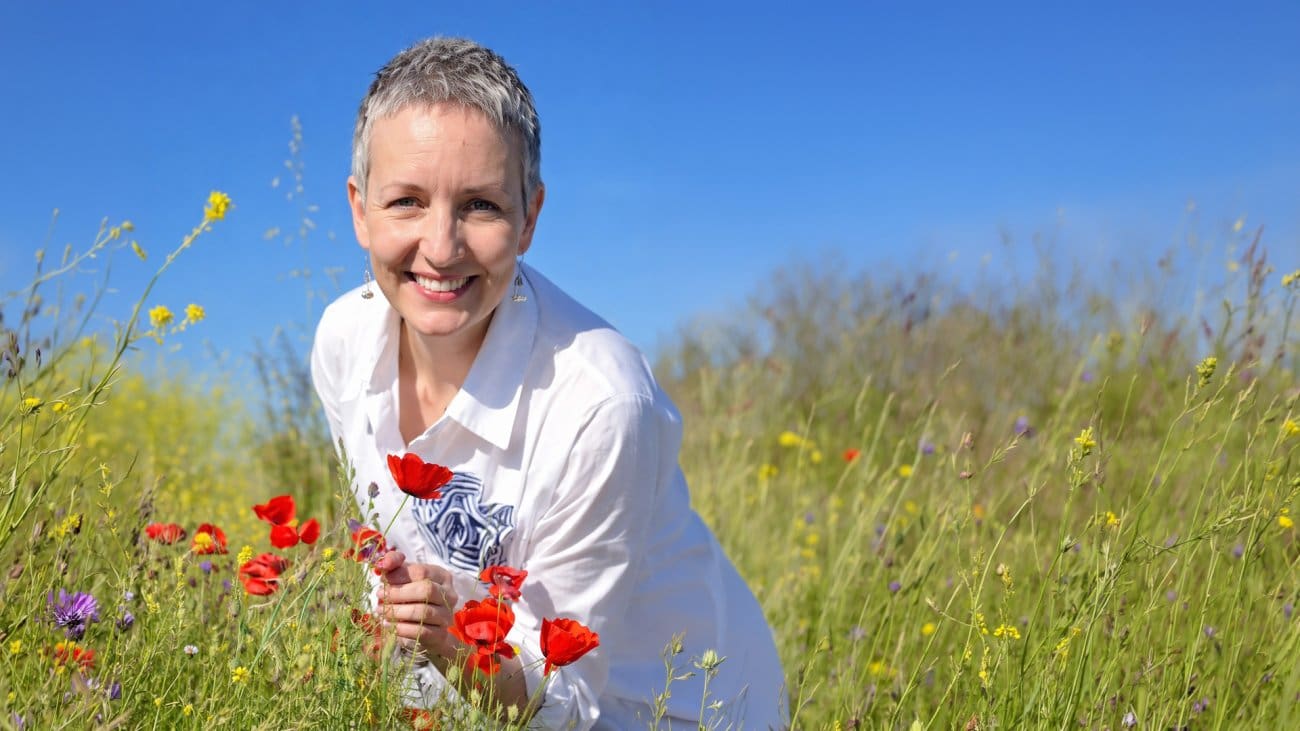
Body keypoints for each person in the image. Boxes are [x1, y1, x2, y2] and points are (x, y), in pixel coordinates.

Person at [310, 36, 786, 729]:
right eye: (407, 201)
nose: (440, 248)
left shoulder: (601, 402)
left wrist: (444, 640)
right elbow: (399, 550)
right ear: (359, 210)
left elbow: (566, 702)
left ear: (530, 217)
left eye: (480, 206)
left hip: (672, 709)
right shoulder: (341, 344)